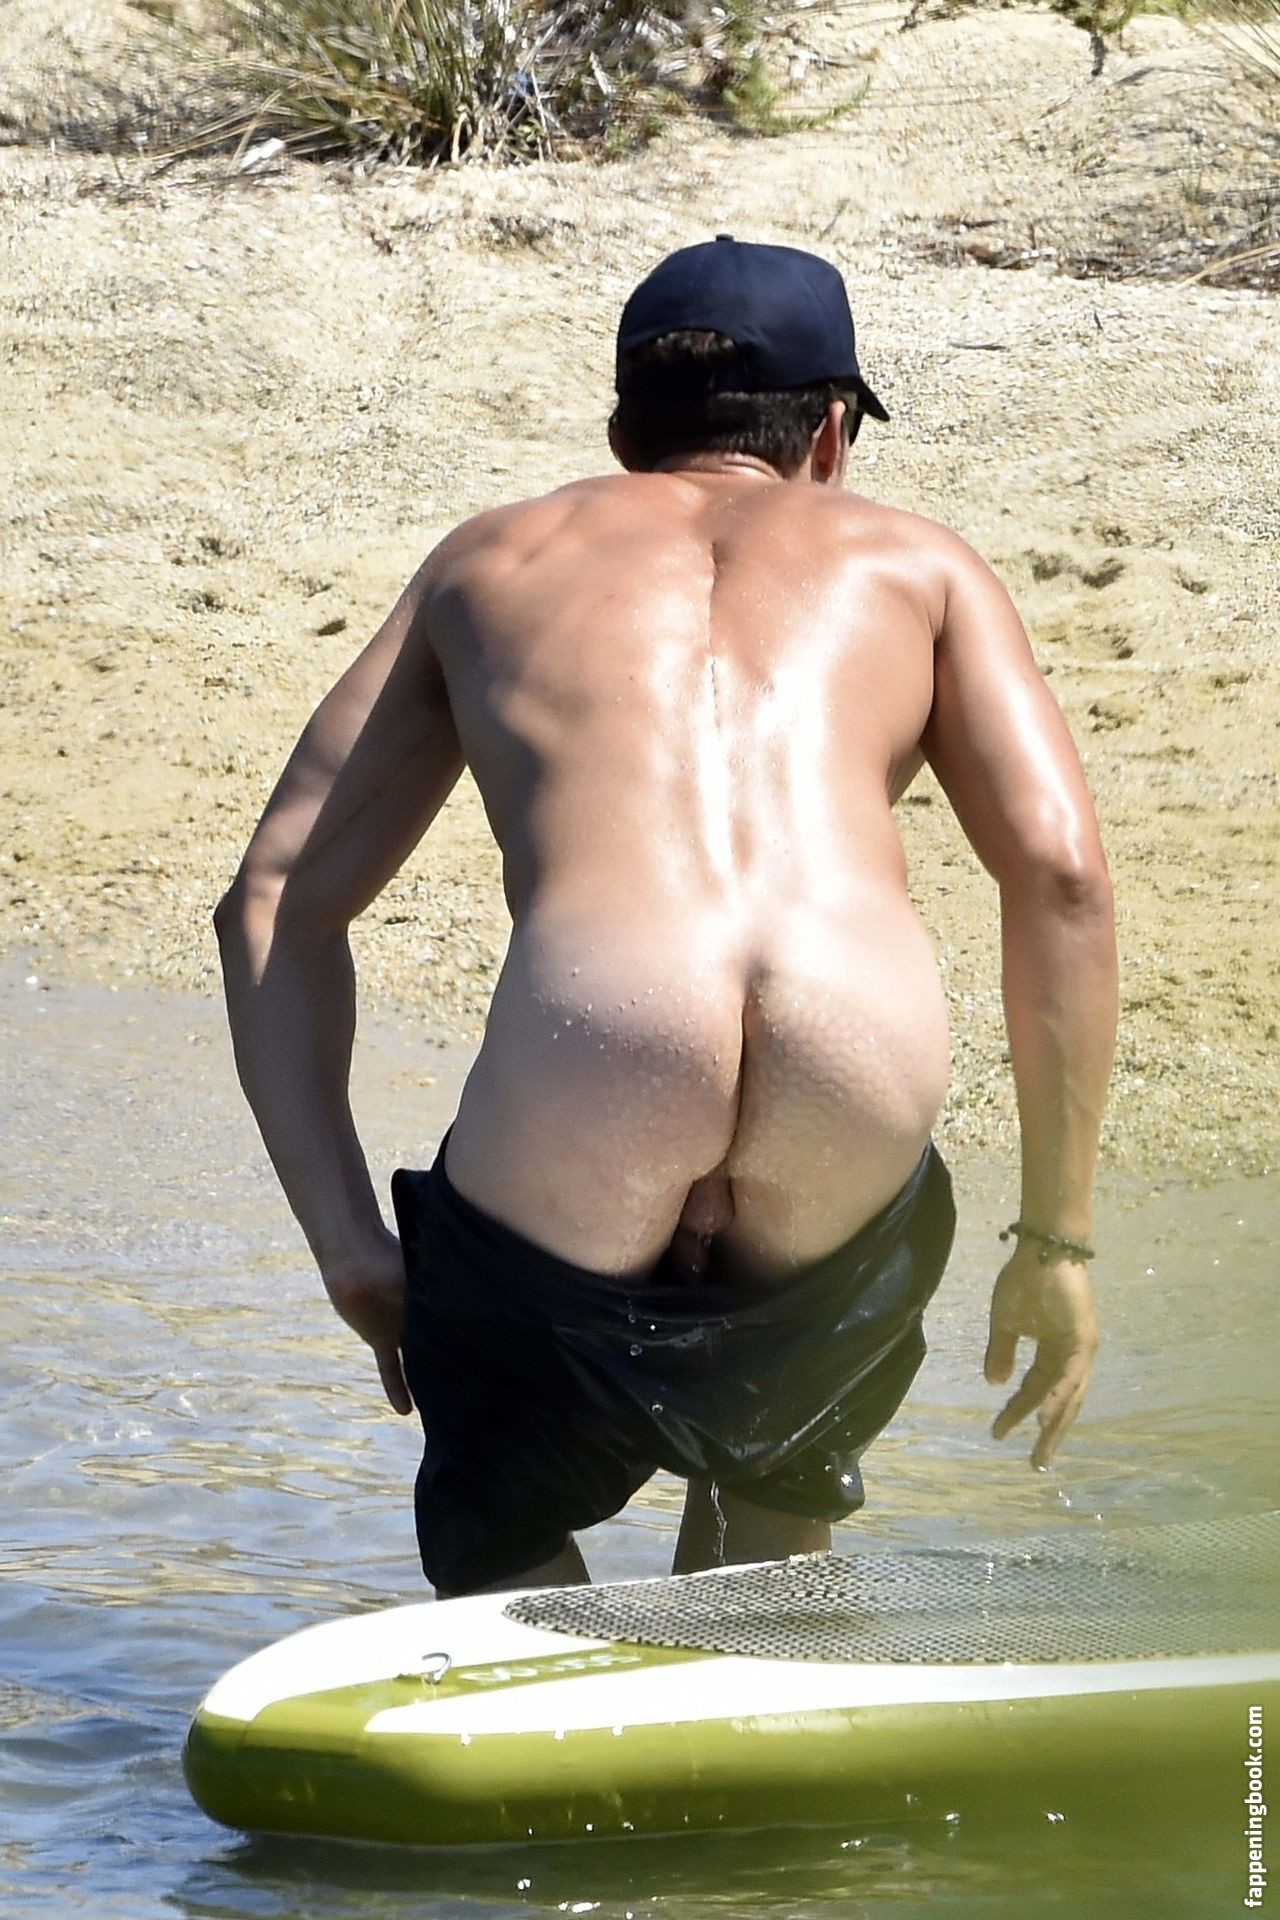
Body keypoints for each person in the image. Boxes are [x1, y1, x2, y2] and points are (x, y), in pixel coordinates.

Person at [214, 237, 1117, 1600]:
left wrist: (348, 1241)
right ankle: (758, 1671)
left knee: (501, 1517)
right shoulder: (923, 566)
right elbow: (1060, 876)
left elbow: (275, 901)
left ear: (622, 433)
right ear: (831, 433)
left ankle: (539, 1682)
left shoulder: (493, 559)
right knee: (773, 1495)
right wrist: (1056, 1241)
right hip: (851, 1062)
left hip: (598, 1045)